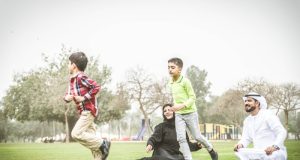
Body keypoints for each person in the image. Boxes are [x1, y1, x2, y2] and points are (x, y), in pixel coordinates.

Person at [167, 57, 218, 160]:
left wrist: (181, 106)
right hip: (179, 115)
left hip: (190, 113)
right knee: (181, 138)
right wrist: (174, 107)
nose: (170, 70)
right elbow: (177, 98)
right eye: (168, 67)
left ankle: (211, 150)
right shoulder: (170, 83)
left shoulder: (185, 81)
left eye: (172, 67)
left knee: (197, 137)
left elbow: (193, 97)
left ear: (180, 69)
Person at [63, 52, 111, 160]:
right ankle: (100, 151)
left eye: (68, 63)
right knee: (94, 147)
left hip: (88, 111)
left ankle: (103, 143)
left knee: (76, 133)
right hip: (83, 112)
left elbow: (96, 87)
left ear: (74, 65)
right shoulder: (72, 81)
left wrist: (84, 97)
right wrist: (67, 98)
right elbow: (67, 94)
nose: (67, 66)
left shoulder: (81, 77)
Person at [234, 92, 287, 160]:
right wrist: (240, 145)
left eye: (249, 101)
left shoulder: (268, 115)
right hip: (259, 154)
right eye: (245, 101)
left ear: (257, 103)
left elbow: (281, 132)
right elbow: (246, 138)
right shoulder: (247, 120)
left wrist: (274, 147)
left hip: (275, 154)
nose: (246, 103)